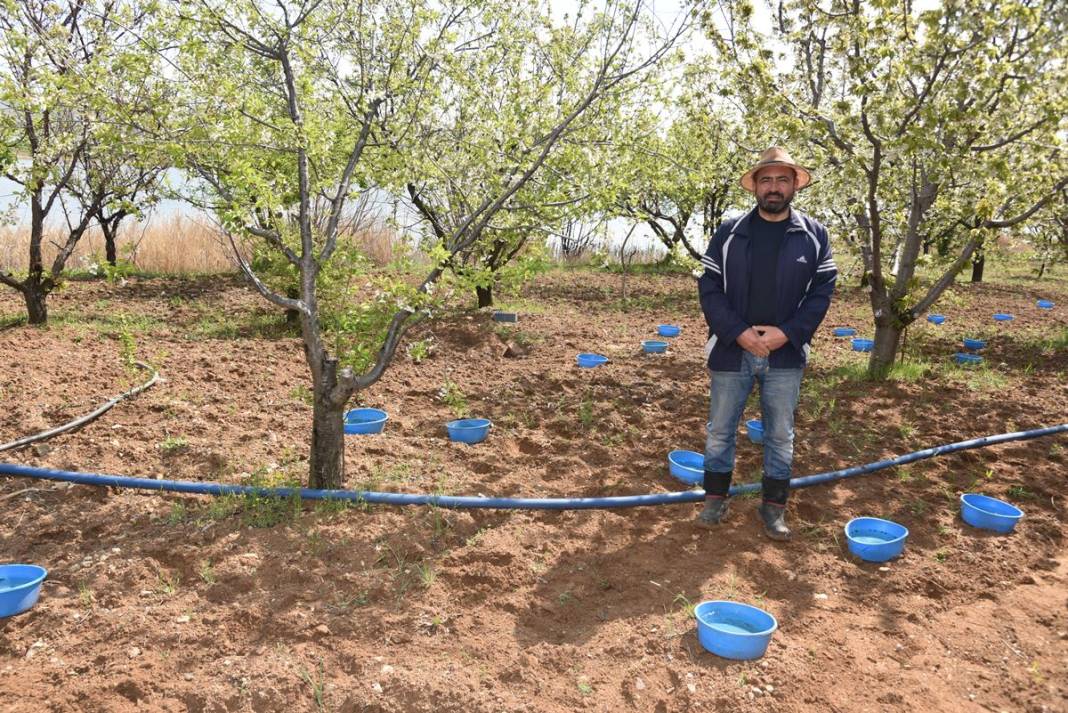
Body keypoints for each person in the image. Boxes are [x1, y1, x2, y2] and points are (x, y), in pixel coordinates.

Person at [695, 147, 836, 540]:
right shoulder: (729, 232)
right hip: (731, 348)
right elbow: (709, 288)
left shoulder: (814, 235)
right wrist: (737, 331)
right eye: (766, 180)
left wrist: (787, 333)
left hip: (785, 354)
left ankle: (774, 508)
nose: (774, 187)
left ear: (794, 185)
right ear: (755, 186)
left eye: (782, 179)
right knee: (720, 429)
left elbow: (822, 293)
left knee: (779, 433)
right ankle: (715, 499)